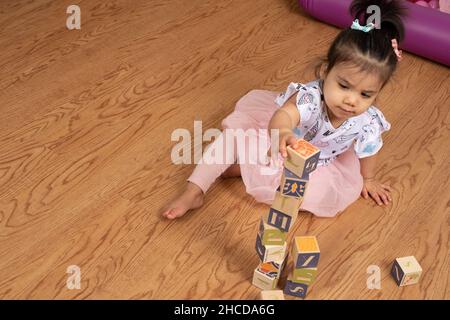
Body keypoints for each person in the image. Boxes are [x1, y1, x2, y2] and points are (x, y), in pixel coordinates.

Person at [161, 0, 407, 220]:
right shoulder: (311, 98)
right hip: (278, 140)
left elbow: (369, 152)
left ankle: (241, 169)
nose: (352, 101)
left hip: (319, 162)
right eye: (343, 86)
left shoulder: (368, 121)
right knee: (232, 137)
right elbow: (284, 115)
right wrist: (281, 133)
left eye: (366, 94)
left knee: (314, 192)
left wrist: (369, 179)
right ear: (325, 73)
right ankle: (194, 190)